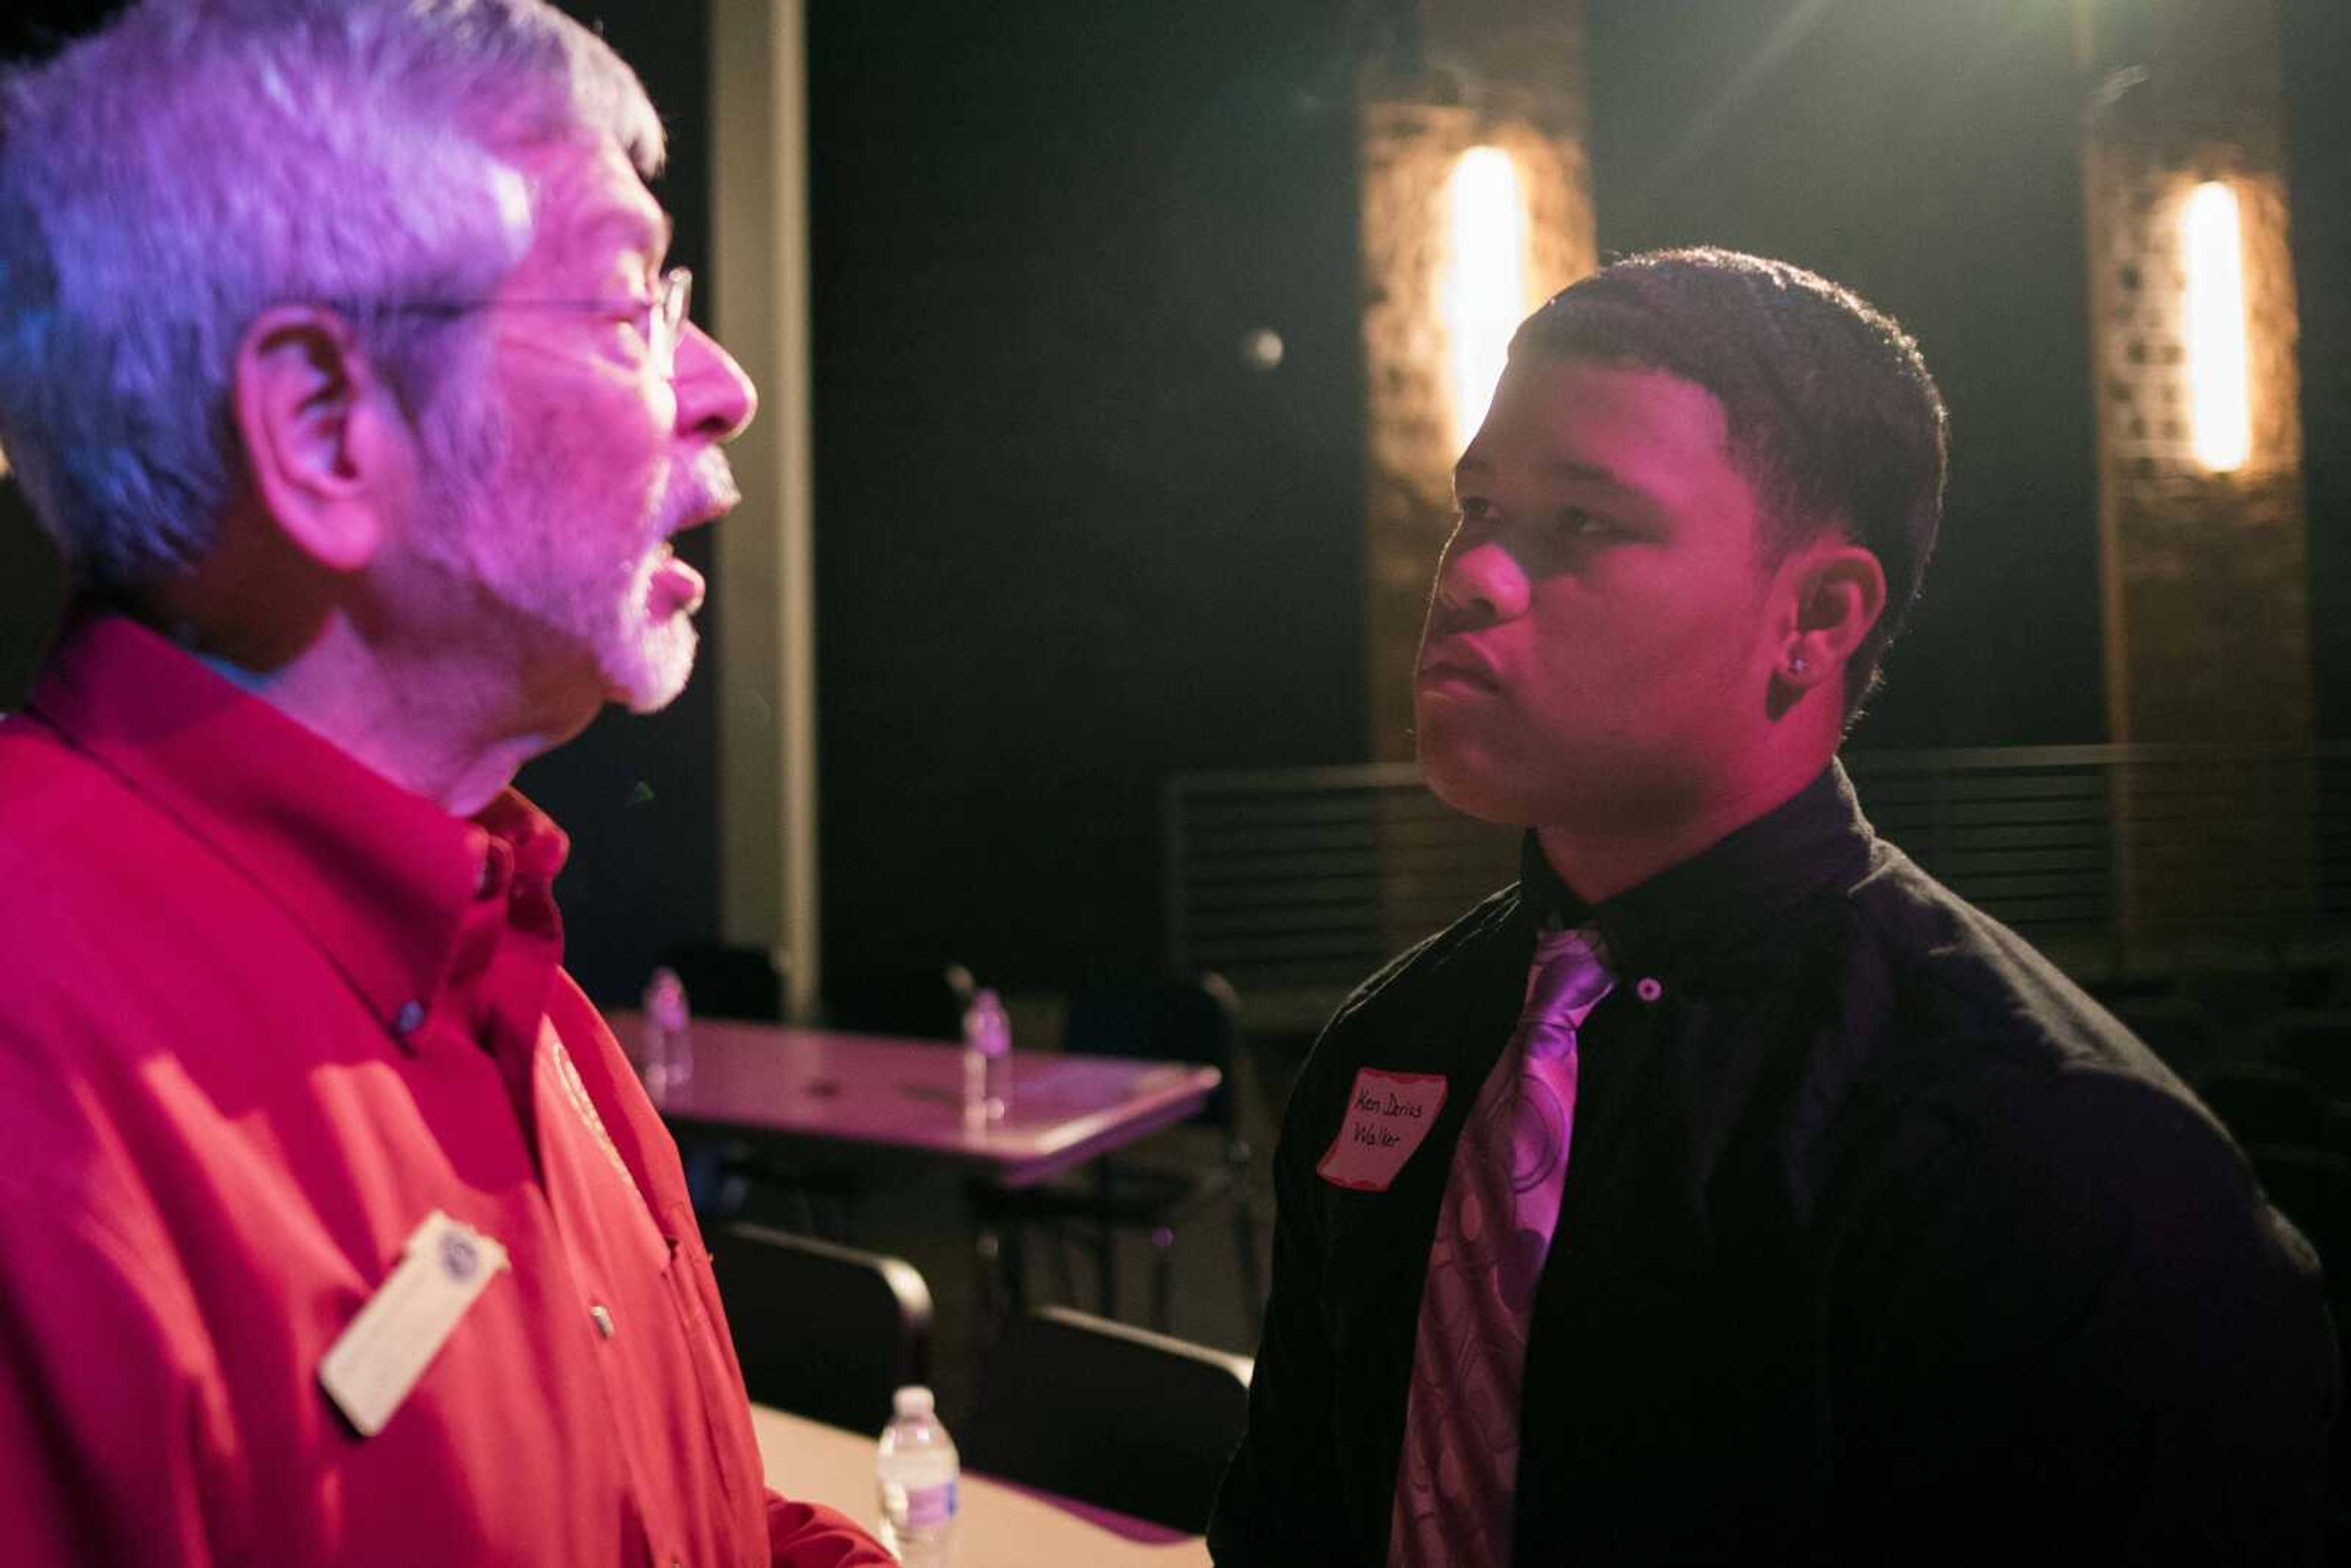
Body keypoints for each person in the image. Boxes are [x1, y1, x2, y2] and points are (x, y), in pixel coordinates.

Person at [1209, 248, 2339, 1566]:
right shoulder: (1390, 1047)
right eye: (1477, 505)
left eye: (1582, 522)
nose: (1468, 576)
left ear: (1815, 614)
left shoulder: (2060, 1157)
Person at [0, 3, 891, 1562]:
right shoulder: (39, 1062)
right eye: (630, 303)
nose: (722, 384)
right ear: (327, 427)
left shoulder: (500, 957)